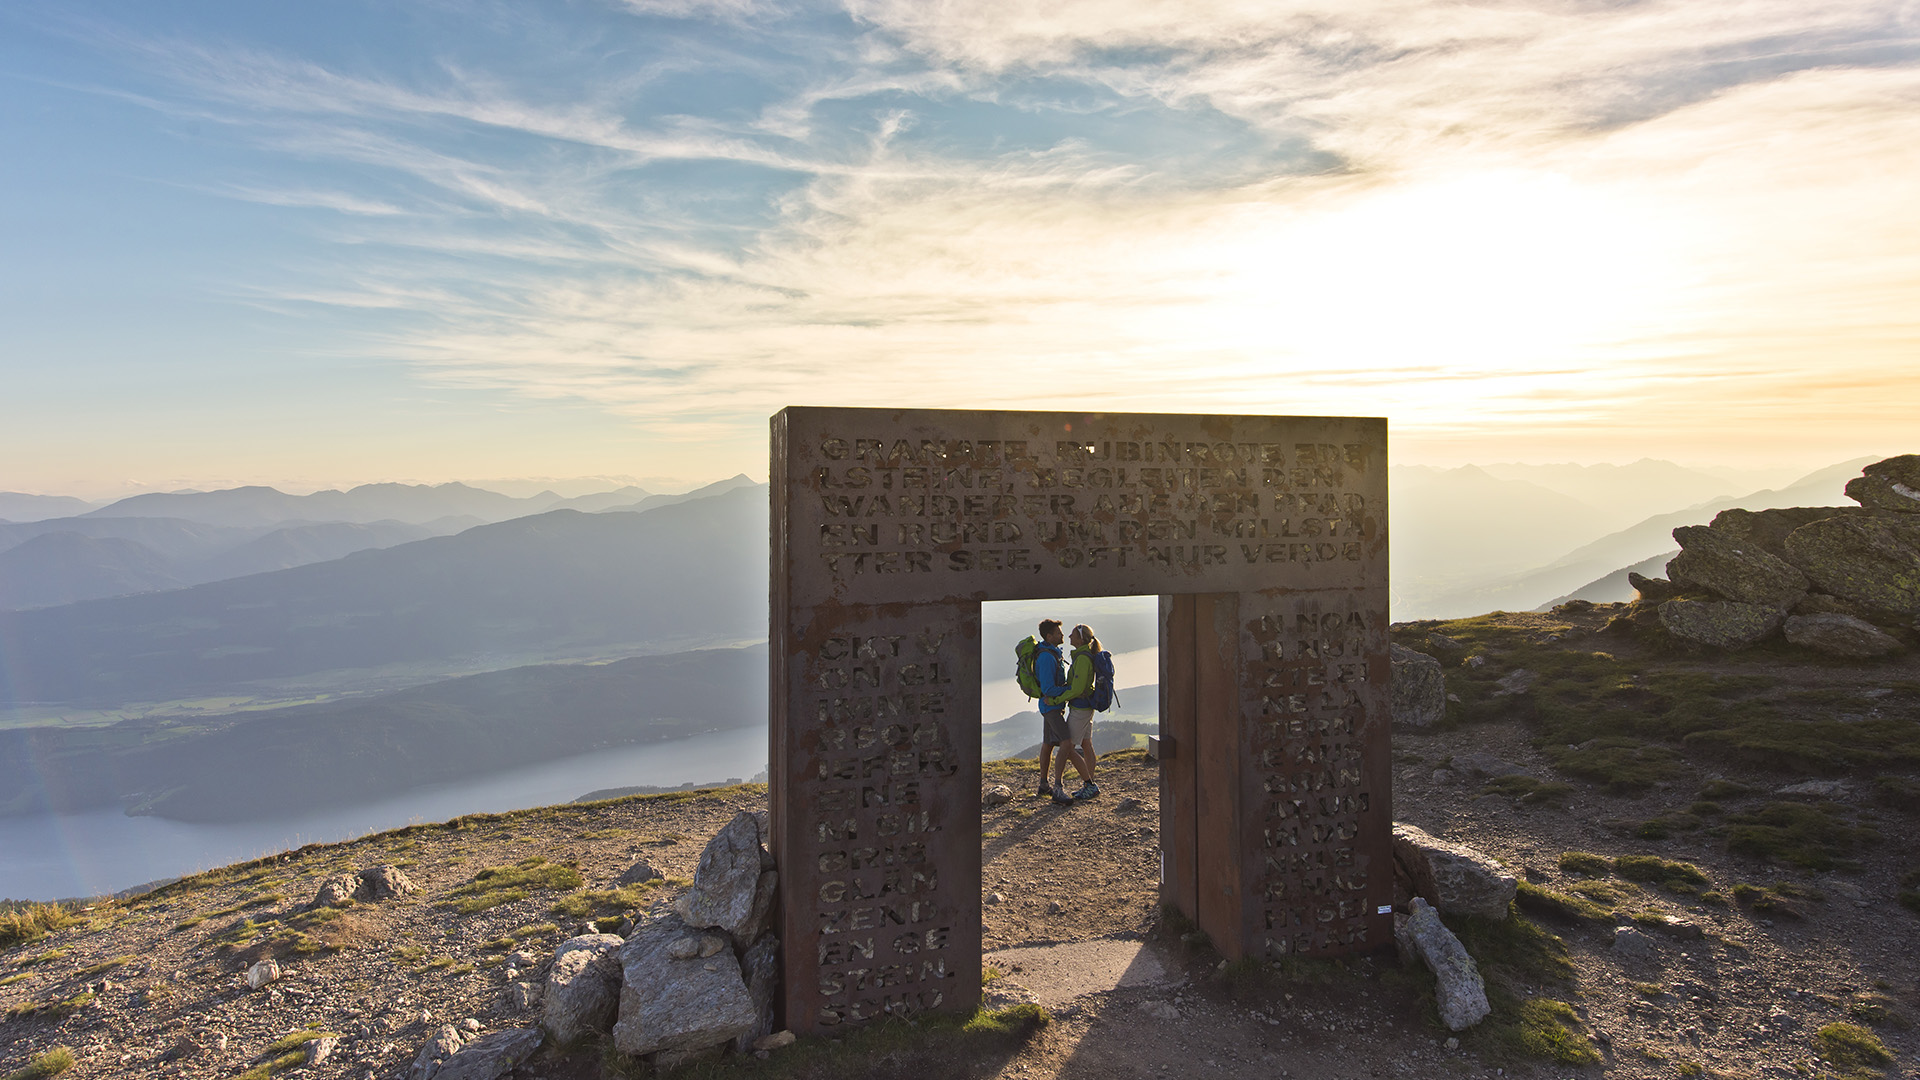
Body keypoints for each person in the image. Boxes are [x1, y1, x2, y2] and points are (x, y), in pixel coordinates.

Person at [1031, 619, 1093, 804]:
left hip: (1051, 707)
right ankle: (1058, 789)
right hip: (1051, 708)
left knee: (1048, 744)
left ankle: (1043, 784)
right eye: (1058, 633)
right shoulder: (1047, 657)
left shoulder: (1052, 653)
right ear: (1049, 636)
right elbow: (1049, 689)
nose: (1063, 635)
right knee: (1066, 744)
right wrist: (1070, 690)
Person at [1049, 623, 1103, 800]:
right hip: (1085, 707)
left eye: (1072, 635)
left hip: (1080, 709)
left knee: (1068, 747)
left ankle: (1089, 785)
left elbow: (1077, 689)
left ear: (1080, 639)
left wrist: (1057, 699)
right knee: (1086, 745)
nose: (1069, 637)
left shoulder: (1082, 659)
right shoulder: (1083, 655)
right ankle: (1089, 784)